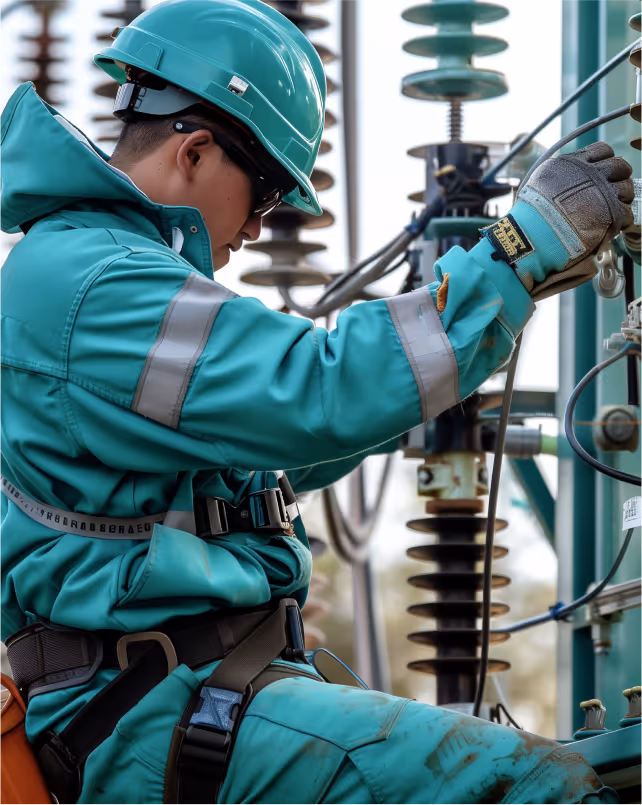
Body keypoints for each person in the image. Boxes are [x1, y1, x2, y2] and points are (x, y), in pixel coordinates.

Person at [0, 1, 633, 803]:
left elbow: (277, 443)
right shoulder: (96, 282)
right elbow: (313, 389)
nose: (259, 231)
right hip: (151, 710)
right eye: (264, 197)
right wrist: (511, 255)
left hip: (186, 688)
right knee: (542, 789)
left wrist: (497, 294)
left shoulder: (93, 268)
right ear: (195, 151)